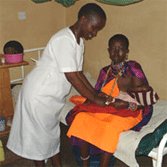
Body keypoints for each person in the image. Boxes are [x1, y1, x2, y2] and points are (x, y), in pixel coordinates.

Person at [7, 3, 108, 167]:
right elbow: (72, 77)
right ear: (83, 19)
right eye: (93, 27)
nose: (94, 33)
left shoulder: (79, 43)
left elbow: (79, 73)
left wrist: (96, 93)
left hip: (52, 97)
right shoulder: (64, 39)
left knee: (52, 139)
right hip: (38, 95)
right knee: (39, 142)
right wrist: (95, 100)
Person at [67, 34, 159, 167]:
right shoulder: (105, 72)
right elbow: (97, 95)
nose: (116, 52)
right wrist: (108, 100)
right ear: (108, 51)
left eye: (120, 48)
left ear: (127, 52)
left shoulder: (133, 68)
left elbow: (145, 99)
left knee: (109, 128)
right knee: (82, 118)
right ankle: (85, 164)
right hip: (111, 107)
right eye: (113, 48)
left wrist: (126, 104)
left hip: (134, 108)